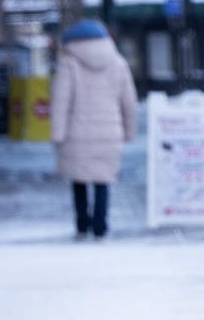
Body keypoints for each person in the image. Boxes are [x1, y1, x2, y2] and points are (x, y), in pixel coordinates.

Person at [50, 19, 138, 239]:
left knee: (78, 178)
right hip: (109, 133)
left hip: (76, 134)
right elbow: (129, 102)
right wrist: (130, 130)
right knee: (103, 180)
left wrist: (57, 134)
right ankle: (101, 225)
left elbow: (61, 102)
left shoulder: (68, 63)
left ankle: (82, 223)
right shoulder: (118, 63)